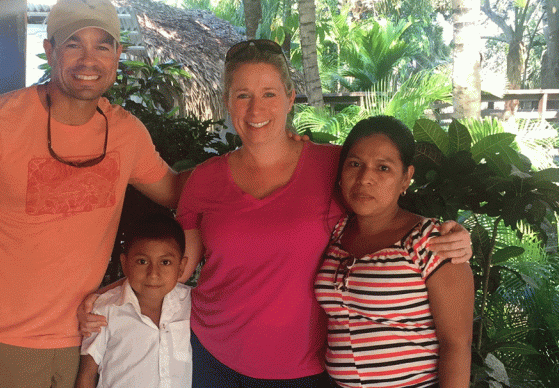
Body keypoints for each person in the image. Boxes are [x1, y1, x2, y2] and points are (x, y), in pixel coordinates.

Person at [173, 40, 473, 387]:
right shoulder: (204, 179)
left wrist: (454, 236)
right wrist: (122, 289)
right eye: (242, 95)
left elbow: (388, 201)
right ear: (227, 101)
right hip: (211, 355)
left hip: (301, 370)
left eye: (269, 94)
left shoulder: (334, 165)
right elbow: (177, 267)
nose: (256, 109)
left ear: (290, 98)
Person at [0, 0, 182, 388]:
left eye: (102, 46)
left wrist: (254, 160)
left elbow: (179, 193)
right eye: (74, 44)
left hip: (89, 333)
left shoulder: (126, 133)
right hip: (2, 341)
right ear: (50, 50)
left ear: (117, 55)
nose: (88, 60)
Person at [314, 116, 474, 387]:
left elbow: (457, 345)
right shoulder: (336, 232)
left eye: (383, 168)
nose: (365, 179)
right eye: (355, 164)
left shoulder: (432, 242)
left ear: (406, 177)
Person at [75, 213, 192, 388]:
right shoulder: (105, 310)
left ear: (181, 267)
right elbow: (87, 374)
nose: (153, 274)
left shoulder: (189, 303)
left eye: (165, 262)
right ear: (125, 264)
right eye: (142, 261)